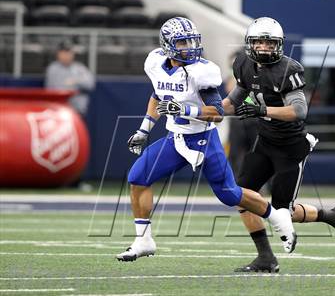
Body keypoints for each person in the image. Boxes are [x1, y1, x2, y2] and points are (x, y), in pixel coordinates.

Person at [116, 17, 299, 262]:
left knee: (230, 194)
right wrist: (144, 130)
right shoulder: (156, 63)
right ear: (168, 44)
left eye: (192, 41)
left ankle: (278, 218)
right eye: (182, 43)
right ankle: (144, 240)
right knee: (137, 177)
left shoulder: (201, 71)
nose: (189, 47)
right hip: (176, 138)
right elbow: (158, 96)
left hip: (202, 139)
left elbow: (218, 114)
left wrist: (184, 110)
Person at [222, 17, 335, 273]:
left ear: (279, 45)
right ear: (250, 44)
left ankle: (333, 216)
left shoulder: (289, 68)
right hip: (265, 140)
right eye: (259, 42)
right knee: (241, 196)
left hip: (290, 146)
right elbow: (230, 103)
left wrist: (262, 109)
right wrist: (197, 111)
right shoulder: (242, 64)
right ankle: (265, 257)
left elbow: (299, 110)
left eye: (269, 42)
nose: (264, 47)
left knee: (284, 212)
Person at [45, 40, 94, 117]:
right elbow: (50, 90)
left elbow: (90, 84)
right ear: (58, 54)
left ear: (73, 54)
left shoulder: (80, 68)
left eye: (68, 52)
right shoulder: (53, 69)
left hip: (77, 111)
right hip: (58, 110)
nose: (66, 55)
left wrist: (76, 81)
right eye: (63, 52)